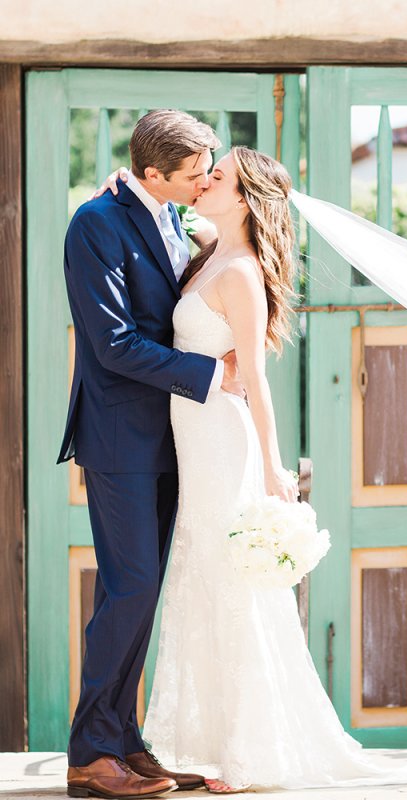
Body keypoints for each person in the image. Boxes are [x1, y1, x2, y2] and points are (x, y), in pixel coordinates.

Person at [100, 146, 407, 793]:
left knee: (231, 586)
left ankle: (248, 752)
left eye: (217, 176)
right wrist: (124, 188)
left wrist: (273, 471)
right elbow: (165, 220)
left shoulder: (242, 273)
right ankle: (209, 743)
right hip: (193, 440)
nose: (203, 182)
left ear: (244, 195)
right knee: (202, 580)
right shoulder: (208, 251)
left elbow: (255, 378)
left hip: (224, 443)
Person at [58, 110, 245, 799]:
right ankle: (90, 753)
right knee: (131, 586)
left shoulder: (173, 214)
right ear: (151, 173)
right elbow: (109, 342)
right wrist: (209, 375)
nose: (203, 184)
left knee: (137, 590)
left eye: (206, 172)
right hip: (119, 436)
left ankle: (124, 739)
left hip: (176, 436)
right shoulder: (94, 225)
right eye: (193, 175)